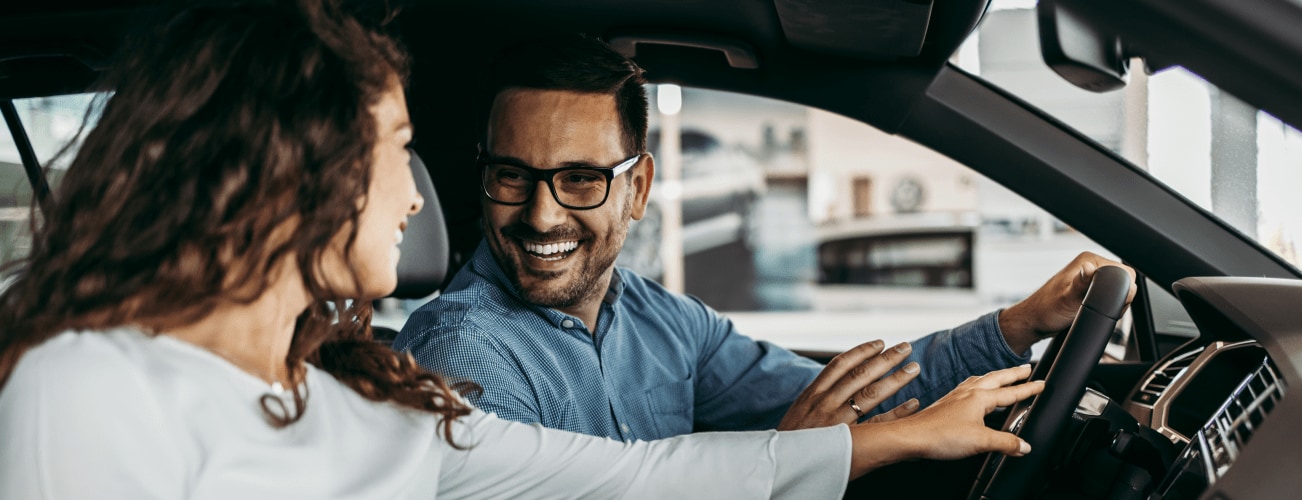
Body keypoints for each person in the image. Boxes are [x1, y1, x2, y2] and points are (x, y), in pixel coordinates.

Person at [0, 2, 1045, 498]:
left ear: (636, 187)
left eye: (580, 179)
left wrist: (896, 435)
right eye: (397, 154)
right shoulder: (89, 386)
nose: (418, 198)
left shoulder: (357, 400)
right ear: (299, 175)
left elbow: (639, 478)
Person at [394, 34, 1134, 442]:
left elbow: (841, 395)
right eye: (513, 176)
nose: (541, 215)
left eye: (581, 179)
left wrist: (1016, 326)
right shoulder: (460, 355)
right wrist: (787, 467)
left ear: (639, 188)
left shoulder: (657, 318)